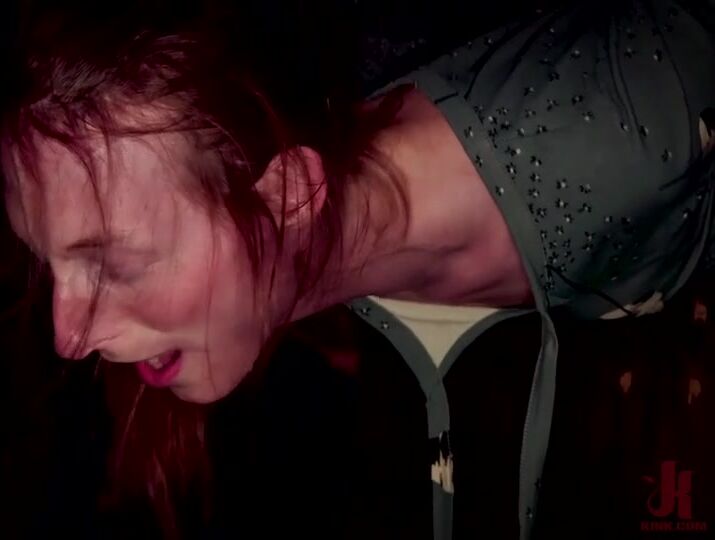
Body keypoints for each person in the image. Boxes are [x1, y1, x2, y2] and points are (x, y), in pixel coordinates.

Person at [1, 1, 714, 539]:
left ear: (289, 195)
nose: (68, 337)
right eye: (47, 262)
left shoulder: (635, 128)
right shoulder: (315, 348)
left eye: (114, 264)